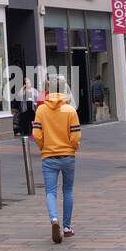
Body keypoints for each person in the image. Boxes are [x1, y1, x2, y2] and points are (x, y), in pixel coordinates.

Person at [32, 84, 81, 241]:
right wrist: (72, 148)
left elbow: (37, 134)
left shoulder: (41, 110)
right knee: (67, 190)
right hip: (67, 156)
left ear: (48, 91)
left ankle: (54, 219)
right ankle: (67, 227)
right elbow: (75, 136)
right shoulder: (70, 110)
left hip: (49, 156)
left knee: (50, 192)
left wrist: (44, 147)